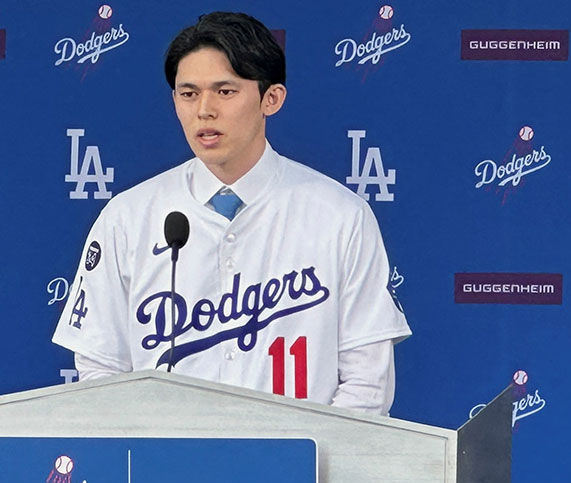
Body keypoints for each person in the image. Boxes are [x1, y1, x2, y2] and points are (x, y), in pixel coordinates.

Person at [52, 12, 410, 415]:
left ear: (270, 98)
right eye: (188, 94)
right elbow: (100, 370)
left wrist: (302, 463)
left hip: (301, 468)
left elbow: (367, 383)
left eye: (224, 91)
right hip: (167, 468)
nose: (204, 110)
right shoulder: (127, 217)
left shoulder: (341, 216)